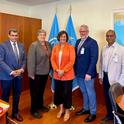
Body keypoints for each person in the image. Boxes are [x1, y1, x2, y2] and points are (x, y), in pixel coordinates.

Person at [0, 28, 26, 122]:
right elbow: (0, 60)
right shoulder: (2, 45)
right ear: (9, 35)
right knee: (5, 96)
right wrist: (11, 72)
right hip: (6, 76)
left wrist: (22, 69)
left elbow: (24, 59)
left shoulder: (21, 45)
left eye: (16, 35)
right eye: (12, 35)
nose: (14, 37)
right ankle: (5, 116)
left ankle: (15, 112)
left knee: (17, 95)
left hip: (18, 76)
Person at [99, 30, 124, 123]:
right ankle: (110, 115)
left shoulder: (121, 49)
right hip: (105, 77)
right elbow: (101, 63)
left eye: (111, 36)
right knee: (107, 97)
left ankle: (119, 118)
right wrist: (100, 76)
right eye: (107, 36)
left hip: (115, 80)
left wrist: (120, 83)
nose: (109, 38)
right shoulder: (104, 48)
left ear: (115, 36)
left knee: (116, 100)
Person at [75, 25, 98, 123]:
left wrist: (89, 72)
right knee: (84, 92)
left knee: (90, 92)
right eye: (81, 31)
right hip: (79, 73)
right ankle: (86, 108)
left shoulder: (92, 42)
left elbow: (94, 59)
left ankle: (93, 112)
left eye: (84, 31)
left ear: (88, 31)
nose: (82, 33)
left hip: (88, 74)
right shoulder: (77, 41)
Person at [51, 30, 75, 122]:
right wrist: (57, 70)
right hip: (57, 75)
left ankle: (67, 111)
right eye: (61, 37)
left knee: (67, 94)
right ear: (59, 38)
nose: (63, 38)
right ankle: (61, 109)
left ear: (67, 38)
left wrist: (63, 71)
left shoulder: (71, 47)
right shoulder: (55, 47)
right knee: (59, 93)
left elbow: (71, 61)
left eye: (64, 37)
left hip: (67, 75)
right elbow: (52, 60)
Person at [27, 29, 51, 118]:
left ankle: (40, 106)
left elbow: (49, 58)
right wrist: (31, 74)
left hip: (45, 72)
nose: (42, 36)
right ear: (37, 36)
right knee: (34, 93)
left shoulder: (48, 44)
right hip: (36, 73)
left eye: (44, 35)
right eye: (41, 35)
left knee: (41, 91)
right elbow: (30, 60)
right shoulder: (34, 45)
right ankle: (33, 110)